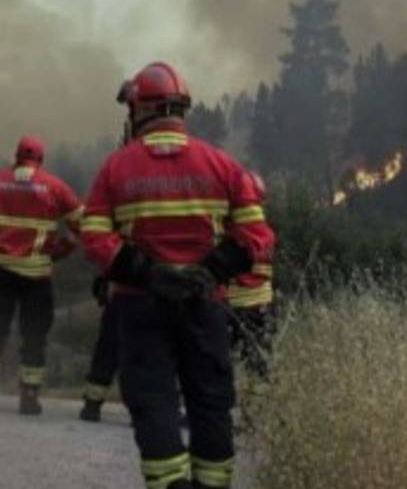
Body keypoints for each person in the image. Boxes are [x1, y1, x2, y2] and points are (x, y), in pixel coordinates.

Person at [81, 62, 276, 489]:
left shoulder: (116, 169)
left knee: (153, 402)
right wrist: (209, 273)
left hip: (139, 305)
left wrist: (150, 275)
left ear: (142, 110)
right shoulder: (223, 166)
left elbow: (94, 237)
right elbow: (257, 236)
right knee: (210, 403)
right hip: (205, 306)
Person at [0, 135, 83, 414]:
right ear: (40, 160)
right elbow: (82, 221)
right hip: (37, 274)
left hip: (0, 270)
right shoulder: (54, 186)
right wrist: (62, 249)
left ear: (17, 156)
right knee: (34, 335)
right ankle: (29, 396)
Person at [225, 172, 276, 384]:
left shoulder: (225, 230)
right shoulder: (263, 232)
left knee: (217, 362)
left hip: (229, 305)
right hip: (258, 306)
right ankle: (256, 410)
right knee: (258, 363)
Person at [78, 275, 118, 422]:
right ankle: (146, 409)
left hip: (122, 295)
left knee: (106, 352)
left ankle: (92, 405)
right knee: (148, 360)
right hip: (157, 296)